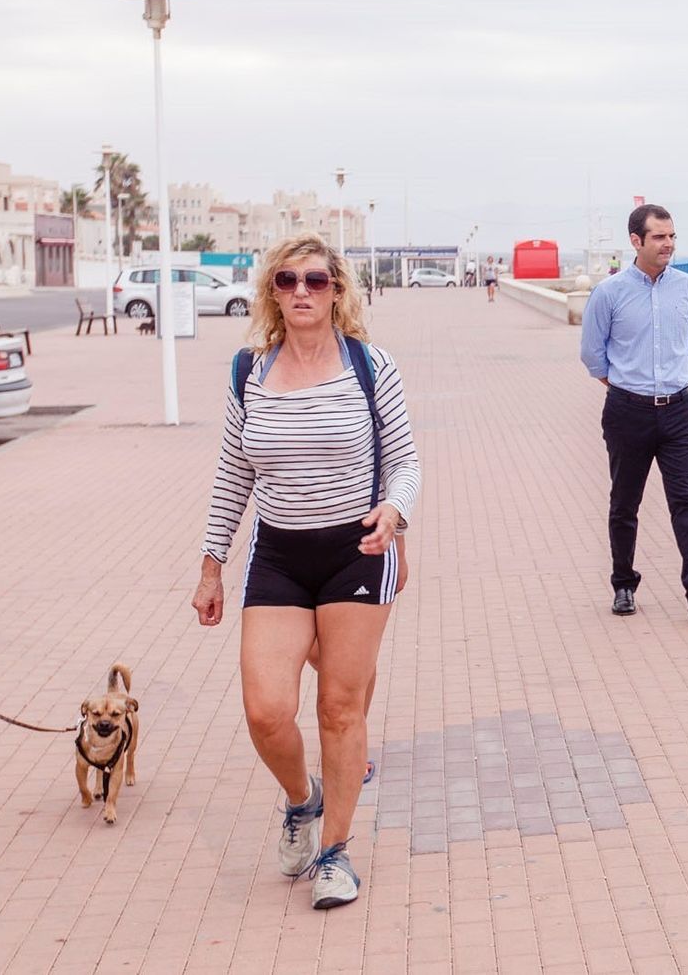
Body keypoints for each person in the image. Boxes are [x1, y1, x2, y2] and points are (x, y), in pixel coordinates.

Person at [192, 232, 421, 910]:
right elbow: (233, 474)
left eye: (315, 280)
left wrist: (395, 511)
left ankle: (336, 851)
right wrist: (211, 566)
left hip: (358, 550)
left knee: (339, 708)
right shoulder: (250, 371)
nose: (301, 291)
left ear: (336, 291)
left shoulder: (370, 365)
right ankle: (302, 799)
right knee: (266, 711)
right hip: (279, 554)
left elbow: (405, 460)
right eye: (286, 280)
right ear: (272, 292)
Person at [580, 204, 688, 624]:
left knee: (687, 501)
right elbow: (593, 355)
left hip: (680, 411)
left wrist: (667, 383)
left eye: (672, 236)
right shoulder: (608, 293)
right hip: (627, 412)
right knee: (624, 502)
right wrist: (628, 387)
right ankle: (623, 585)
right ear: (636, 241)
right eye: (659, 237)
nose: (668, 244)